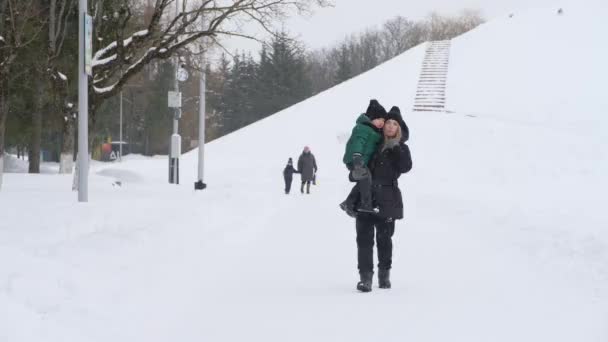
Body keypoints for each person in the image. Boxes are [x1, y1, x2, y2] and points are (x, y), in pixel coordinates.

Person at [348, 106, 412, 293]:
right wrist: (355, 172)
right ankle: (365, 278)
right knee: (364, 240)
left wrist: (397, 149)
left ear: (399, 129)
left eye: (395, 124)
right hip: (365, 199)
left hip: (388, 199)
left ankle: (385, 275)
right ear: (383, 126)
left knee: (384, 240)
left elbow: (406, 167)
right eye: (389, 123)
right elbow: (355, 172)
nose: (391, 126)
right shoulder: (371, 144)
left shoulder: (401, 147)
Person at [340, 99, 387, 215]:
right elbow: (358, 142)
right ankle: (366, 205)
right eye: (378, 119)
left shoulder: (374, 131)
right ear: (371, 118)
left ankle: (348, 203)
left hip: (362, 161)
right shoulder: (363, 128)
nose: (381, 122)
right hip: (355, 159)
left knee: (364, 181)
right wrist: (357, 156)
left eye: (383, 120)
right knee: (365, 177)